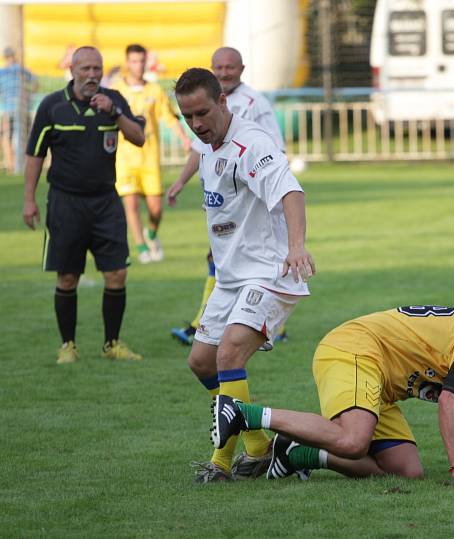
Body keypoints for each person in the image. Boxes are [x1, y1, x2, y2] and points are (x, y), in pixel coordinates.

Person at [212, 306, 454, 485]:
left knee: (407, 471)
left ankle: (295, 455)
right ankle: (241, 414)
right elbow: (450, 399)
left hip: (379, 383)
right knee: (353, 441)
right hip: (354, 350)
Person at [171, 68, 314, 483]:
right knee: (201, 363)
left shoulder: (251, 143)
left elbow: (290, 191)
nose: (197, 124)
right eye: (187, 117)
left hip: (271, 272)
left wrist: (296, 245)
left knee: (229, 354)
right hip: (232, 276)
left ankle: (221, 463)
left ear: (223, 102)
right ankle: (260, 447)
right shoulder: (207, 147)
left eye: (202, 113)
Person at [22, 46, 145, 364]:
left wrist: (115, 113)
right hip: (65, 202)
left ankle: (112, 344)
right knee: (67, 277)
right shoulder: (52, 106)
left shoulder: (114, 99)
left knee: (117, 274)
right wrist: (28, 200)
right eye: (86, 68)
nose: (92, 75)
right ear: (73, 70)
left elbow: (139, 137)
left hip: (106, 201)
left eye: (97, 69)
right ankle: (68, 345)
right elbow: (35, 155)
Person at [168, 46, 286, 345]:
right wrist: (182, 181)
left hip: (253, 205)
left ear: (241, 69)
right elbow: (201, 150)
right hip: (224, 202)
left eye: (229, 68)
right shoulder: (203, 111)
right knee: (218, 258)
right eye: (217, 67)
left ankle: (261, 324)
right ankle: (209, 324)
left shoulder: (254, 104)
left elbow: (274, 152)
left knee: (227, 352)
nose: (223, 73)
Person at [112, 44, 191, 264]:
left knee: (156, 208)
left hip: (150, 159)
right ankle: (142, 248)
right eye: (134, 61)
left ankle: (152, 234)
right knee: (131, 205)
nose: (138, 65)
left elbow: (169, 117)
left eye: (142, 61)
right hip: (125, 159)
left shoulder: (154, 90)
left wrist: (184, 138)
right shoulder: (116, 91)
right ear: (127, 63)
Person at [0, 47, 37, 173]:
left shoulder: (9, 71)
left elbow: (35, 84)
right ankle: (16, 164)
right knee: (18, 136)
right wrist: (27, 92)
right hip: (17, 108)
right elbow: (35, 84)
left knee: (10, 136)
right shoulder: (19, 70)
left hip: (13, 108)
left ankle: (14, 165)